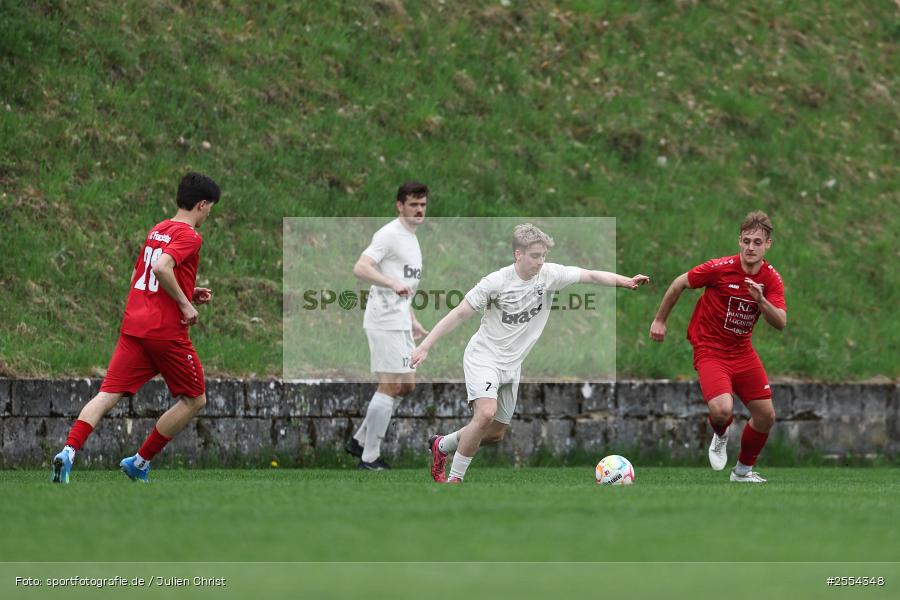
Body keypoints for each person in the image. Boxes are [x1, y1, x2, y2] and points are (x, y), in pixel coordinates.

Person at [413, 223, 649, 483]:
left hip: (512, 366)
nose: (541, 261)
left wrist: (625, 281)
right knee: (484, 414)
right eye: (535, 256)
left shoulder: (549, 275)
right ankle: (454, 481)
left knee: (493, 433)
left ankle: (441, 446)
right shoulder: (496, 282)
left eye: (543, 256)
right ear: (518, 254)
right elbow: (459, 313)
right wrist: (426, 345)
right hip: (484, 357)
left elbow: (590, 275)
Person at [51, 172, 221, 484]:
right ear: (201, 204)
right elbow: (161, 268)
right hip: (165, 332)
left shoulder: (157, 230)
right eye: (210, 207)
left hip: (134, 326)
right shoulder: (190, 236)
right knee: (194, 399)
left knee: (107, 393)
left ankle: (69, 451)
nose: (210, 213)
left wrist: (186, 290)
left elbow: (140, 278)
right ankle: (139, 462)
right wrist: (185, 305)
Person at [649, 211, 786, 483]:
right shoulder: (719, 268)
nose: (750, 247)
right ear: (739, 241)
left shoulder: (770, 279)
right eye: (746, 240)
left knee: (765, 416)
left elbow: (780, 322)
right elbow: (680, 283)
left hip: (742, 352)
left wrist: (760, 300)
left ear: (767, 244)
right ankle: (721, 435)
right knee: (722, 410)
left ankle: (742, 473)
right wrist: (660, 320)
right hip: (710, 349)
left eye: (757, 242)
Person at [345, 181, 430, 470]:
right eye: (413, 204)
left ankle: (358, 440)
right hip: (383, 321)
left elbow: (405, 284)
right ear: (400, 206)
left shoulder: (412, 237)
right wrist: (390, 283)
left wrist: (412, 319)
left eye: (423, 205)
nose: (419, 210)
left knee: (407, 385)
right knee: (391, 384)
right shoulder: (389, 234)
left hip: (400, 320)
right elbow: (361, 267)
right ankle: (369, 458)